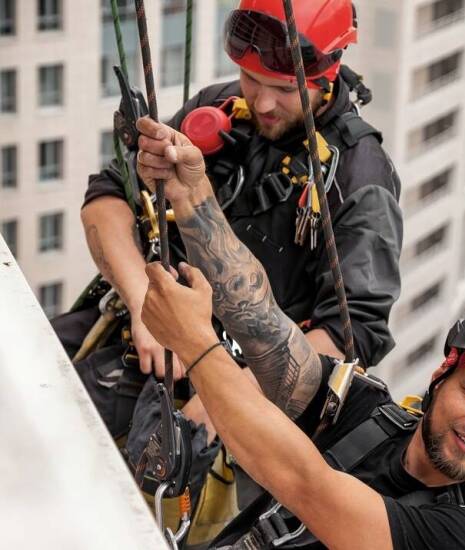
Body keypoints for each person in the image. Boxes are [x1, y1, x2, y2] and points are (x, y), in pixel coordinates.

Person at [135, 114, 465, 549]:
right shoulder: (368, 418)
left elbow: (309, 487)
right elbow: (262, 326)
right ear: (441, 376)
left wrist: (195, 345)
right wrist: (192, 197)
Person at [52, 0, 401, 538]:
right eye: (249, 77)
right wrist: (145, 307)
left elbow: (350, 337)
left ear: (329, 71)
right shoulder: (217, 108)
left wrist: (222, 397)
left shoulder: (358, 177)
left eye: (284, 89)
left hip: (234, 394)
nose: (259, 100)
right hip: (140, 341)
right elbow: (106, 199)